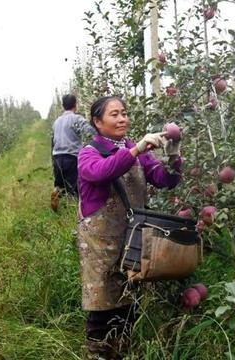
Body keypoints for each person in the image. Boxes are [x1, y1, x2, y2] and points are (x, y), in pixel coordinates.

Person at [77, 96, 183, 359]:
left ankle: (124, 351)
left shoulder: (134, 151)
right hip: (100, 242)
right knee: (102, 303)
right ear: (97, 121)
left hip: (133, 237)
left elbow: (164, 180)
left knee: (129, 299)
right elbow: (102, 172)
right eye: (114, 114)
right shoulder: (88, 153)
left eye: (124, 113)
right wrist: (137, 149)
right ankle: (99, 354)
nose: (122, 118)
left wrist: (173, 155)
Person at [51, 94, 96, 211]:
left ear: (62, 106)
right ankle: (72, 209)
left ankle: (56, 191)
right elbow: (90, 131)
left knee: (60, 184)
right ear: (75, 105)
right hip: (71, 156)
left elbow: (53, 140)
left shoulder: (56, 122)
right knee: (73, 186)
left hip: (57, 156)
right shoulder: (76, 118)